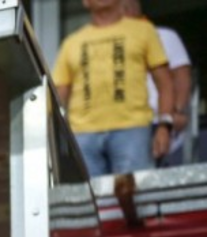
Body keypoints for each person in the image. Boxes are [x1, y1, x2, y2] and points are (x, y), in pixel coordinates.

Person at [52, 0, 174, 177]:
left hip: (133, 129)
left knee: (133, 191)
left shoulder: (143, 31)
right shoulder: (71, 43)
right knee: (88, 194)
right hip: (83, 134)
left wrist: (164, 126)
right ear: (85, 2)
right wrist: (52, 136)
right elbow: (58, 95)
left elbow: (165, 83)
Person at [122, 0, 194, 166]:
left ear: (128, 9)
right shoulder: (112, 44)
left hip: (158, 120)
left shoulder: (163, 35)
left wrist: (177, 112)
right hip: (123, 124)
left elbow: (182, 77)